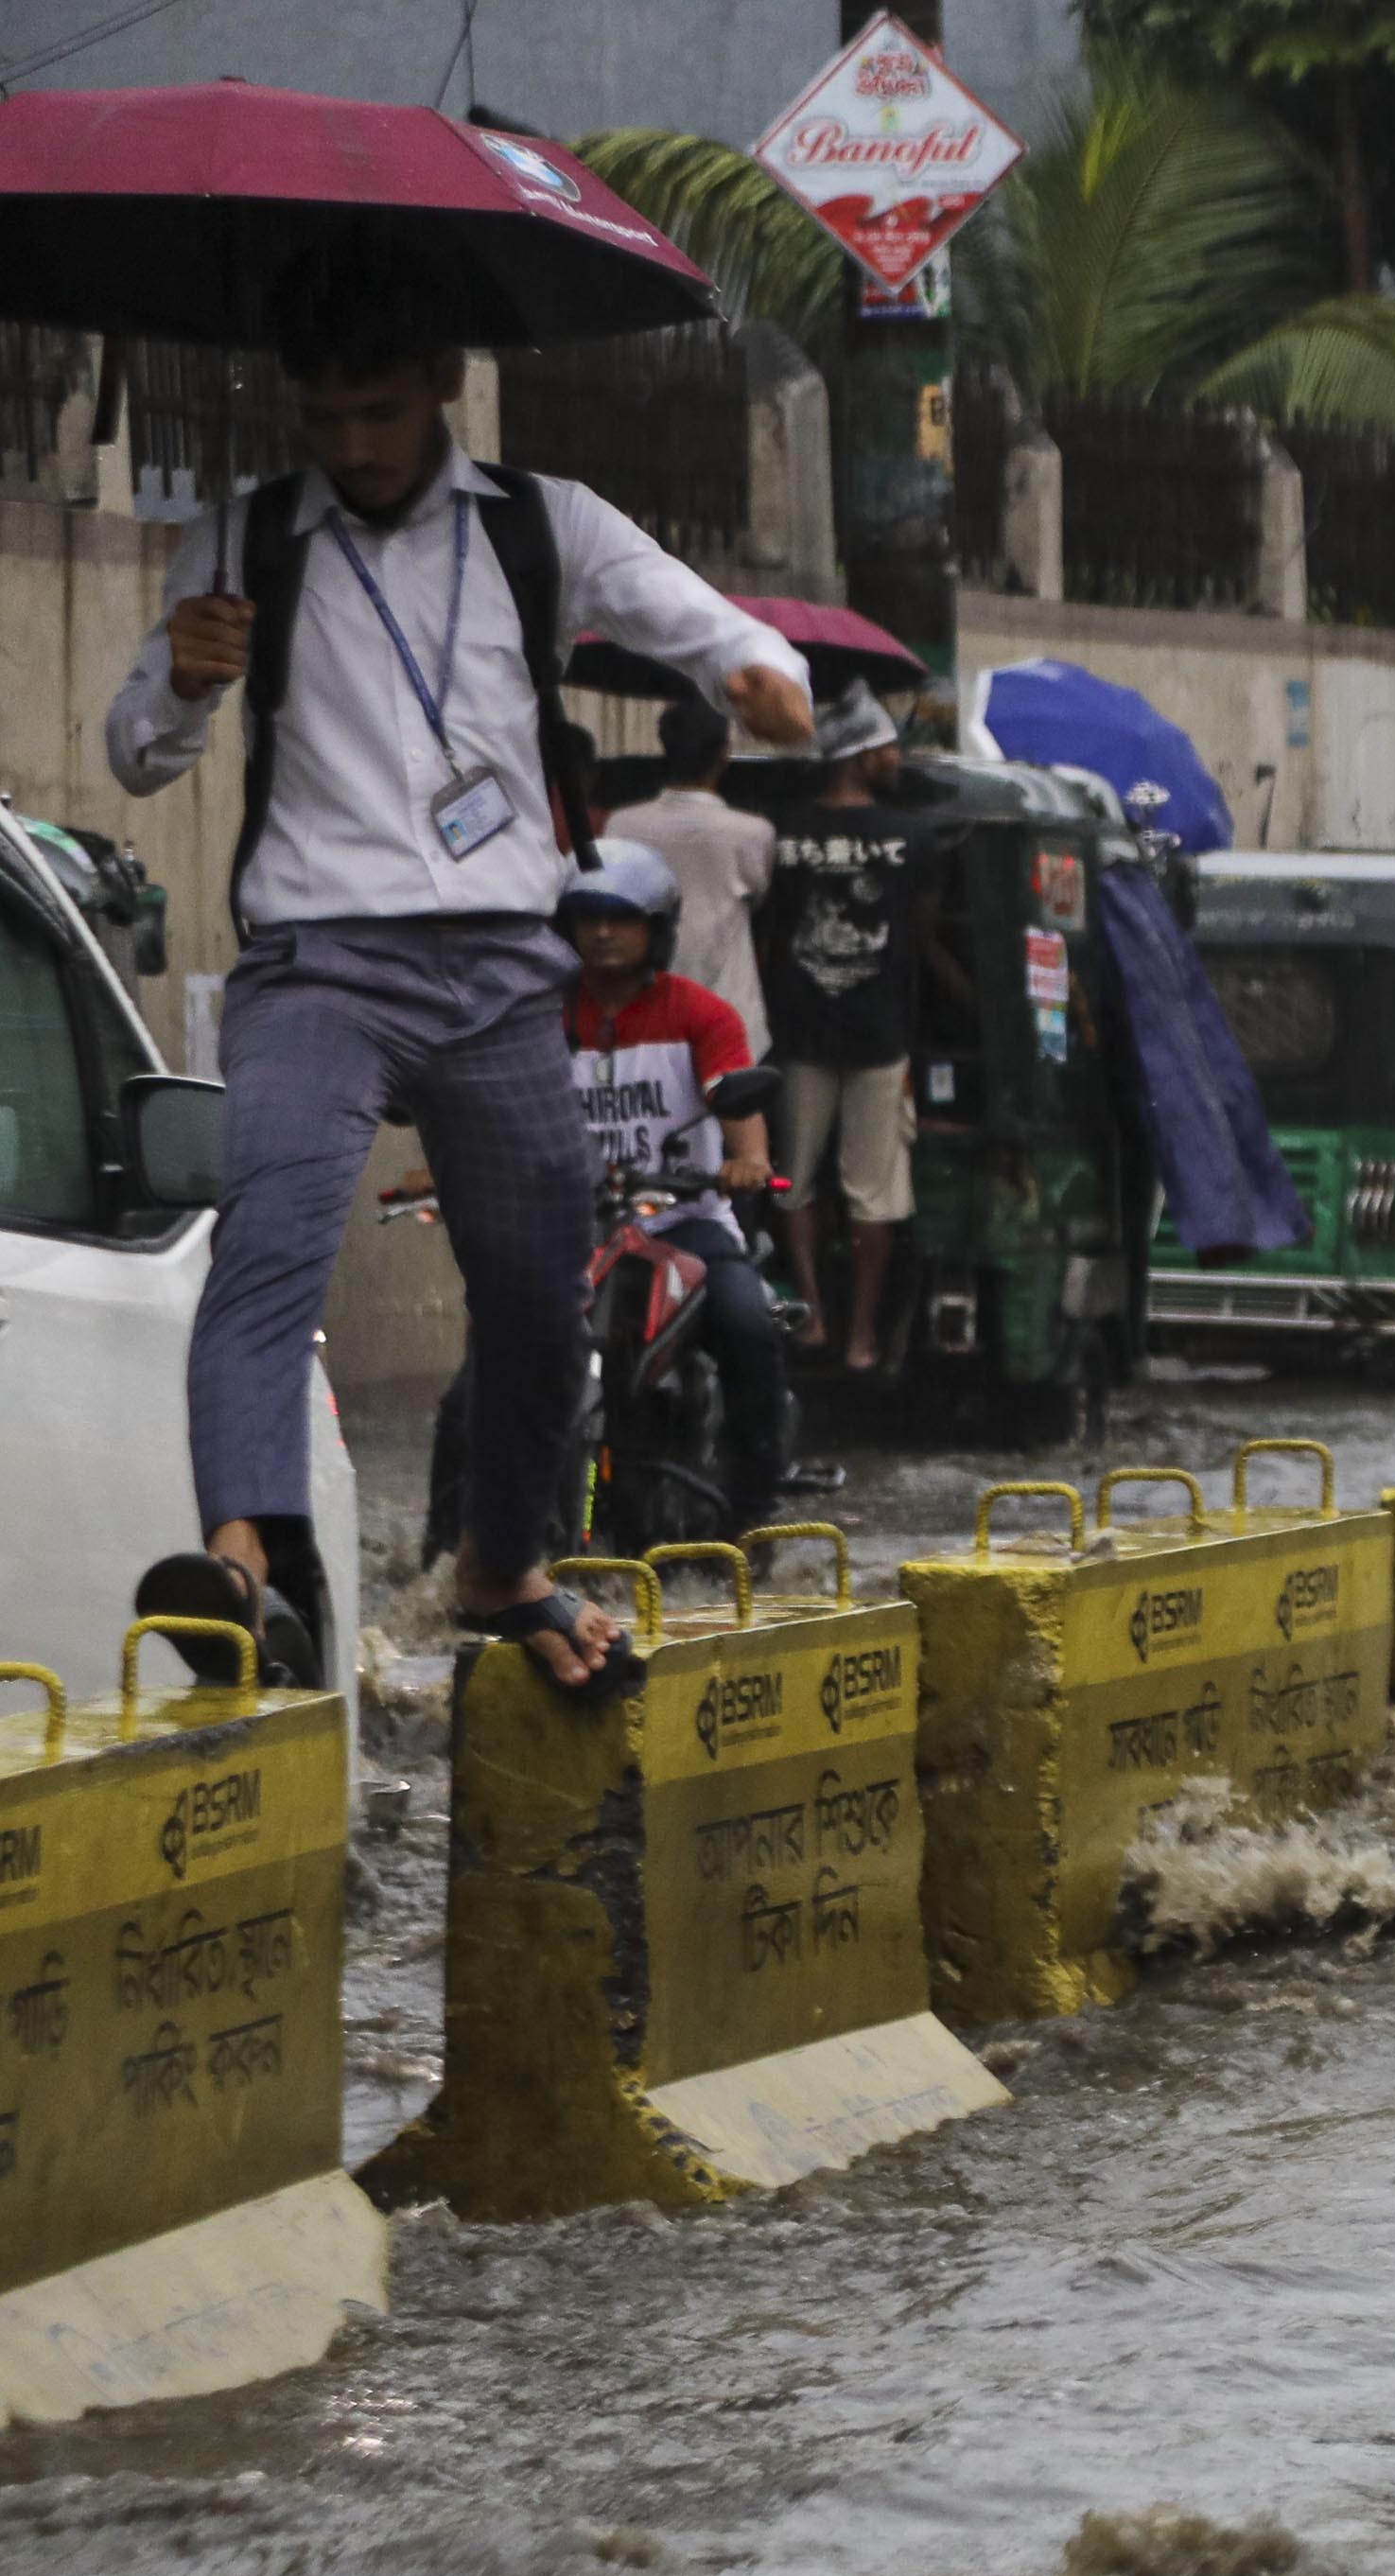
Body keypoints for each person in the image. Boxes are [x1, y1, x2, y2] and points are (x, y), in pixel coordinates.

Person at [101, 251, 807, 1695]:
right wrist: (181, 676)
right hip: (316, 965)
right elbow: (133, 751)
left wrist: (757, 673)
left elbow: (701, 620)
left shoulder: (543, 528)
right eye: (322, 418)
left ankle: (501, 1566)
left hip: (498, 970)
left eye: (377, 412)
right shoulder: (243, 548)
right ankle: (240, 1563)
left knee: (545, 1294)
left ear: (442, 387)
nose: (351, 447)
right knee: (268, 1248)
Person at [552, 844, 791, 1538]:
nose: (602, 933)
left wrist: (747, 1158)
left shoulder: (702, 1015)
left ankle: (755, 1512)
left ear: (655, 929)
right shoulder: (540, 1019)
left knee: (748, 1321)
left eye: (621, 919)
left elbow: (734, 1098)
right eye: (588, 917)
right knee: (481, 1366)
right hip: (577, 1232)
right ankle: (452, 1543)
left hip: (686, 1223)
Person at [755, 688, 942, 1370]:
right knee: (875, 1193)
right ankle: (861, 1337)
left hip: (800, 1035)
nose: (897, 759)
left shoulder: (785, 831)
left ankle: (812, 1318)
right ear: (861, 757)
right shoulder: (914, 838)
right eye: (888, 747)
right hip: (880, 1038)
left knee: (793, 1182)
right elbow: (921, 934)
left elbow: (769, 937)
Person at [600, 692, 777, 1054]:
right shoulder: (753, 832)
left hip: (643, 1011)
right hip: (730, 1012)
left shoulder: (621, 824)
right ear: (725, 753)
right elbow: (759, 901)